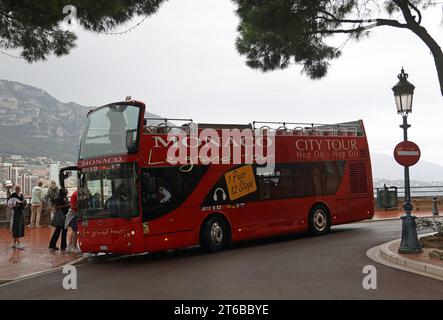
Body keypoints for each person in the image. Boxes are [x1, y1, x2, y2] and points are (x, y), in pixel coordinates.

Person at [7, 186, 27, 250]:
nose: (18, 190)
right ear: (15, 189)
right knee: (16, 228)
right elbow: (9, 204)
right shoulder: (12, 196)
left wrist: (24, 203)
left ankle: (14, 243)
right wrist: (17, 203)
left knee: (19, 227)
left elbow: (24, 203)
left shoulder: (21, 195)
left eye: (19, 189)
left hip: (21, 213)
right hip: (15, 213)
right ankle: (18, 243)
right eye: (17, 189)